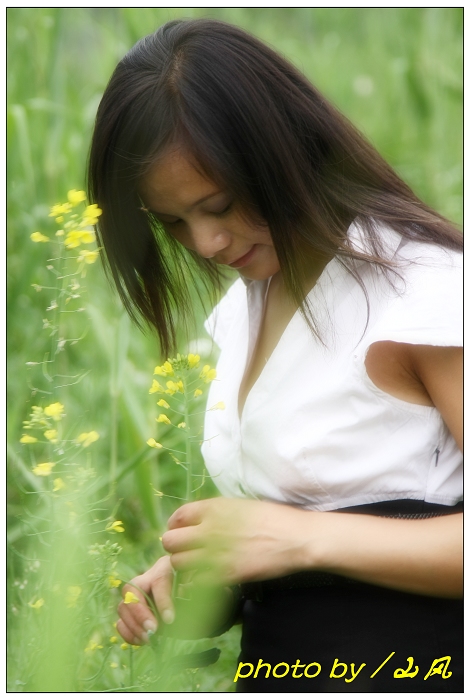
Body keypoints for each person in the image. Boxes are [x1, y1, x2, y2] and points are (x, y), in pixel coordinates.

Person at [88, 18, 463, 692]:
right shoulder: (247, 306)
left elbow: (313, 532)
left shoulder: (426, 292)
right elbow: (314, 519)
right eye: (171, 222)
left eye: (220, 204)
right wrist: (210, 569)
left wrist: (295, 539)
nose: (204, 243)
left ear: (282, 149)